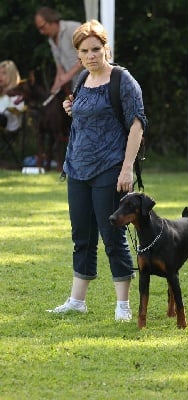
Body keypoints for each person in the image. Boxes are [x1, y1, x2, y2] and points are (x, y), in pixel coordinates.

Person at [47, 20, 147, 321]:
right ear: (78, 56)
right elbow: (84, 113)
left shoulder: (122, 80)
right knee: (82, 235)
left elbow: (137, 124)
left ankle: (123, 306)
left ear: (107, 49)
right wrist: (71, 108)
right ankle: (77, 301)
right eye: (84, 51)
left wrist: (127, 168)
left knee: (112, 234)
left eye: (96, 49)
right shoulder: (83, 80)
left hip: (110, 168)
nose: (91, 55)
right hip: (77, 168)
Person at [34, 6, 83, 94]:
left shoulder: (73, 28)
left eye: (42, 27)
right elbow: (60, 68)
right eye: (39, 29)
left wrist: (68, 75)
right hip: (77, 88)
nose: (41, 32)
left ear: (52, 20)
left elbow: (88, 55)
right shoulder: (51, 40)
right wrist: (54, 88)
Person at [0, 60, 25, 132]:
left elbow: (19, 109)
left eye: (4, 73)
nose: (0, 76)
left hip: (9, 123)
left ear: (12, 75)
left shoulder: (17, 93)